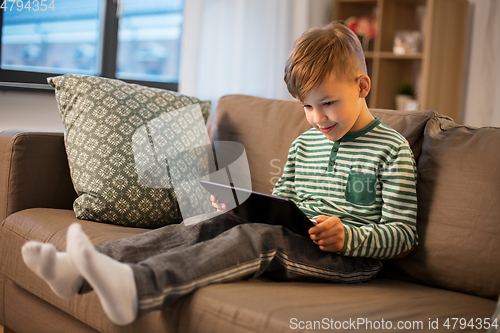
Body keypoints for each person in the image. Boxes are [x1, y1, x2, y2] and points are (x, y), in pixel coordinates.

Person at [21, 22, 418, 326]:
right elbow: (282, 204)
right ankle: (80, 267)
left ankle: (138, 289)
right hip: (297, 234)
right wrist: (240, 208)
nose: (317, 118)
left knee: (257, 238)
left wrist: (348, 236)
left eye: (327, 103)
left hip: (348, 260)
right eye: (307, 107)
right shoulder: (305, 144)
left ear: (362, 85)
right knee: (207, 226)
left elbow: (403, 237)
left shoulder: (390, 149)